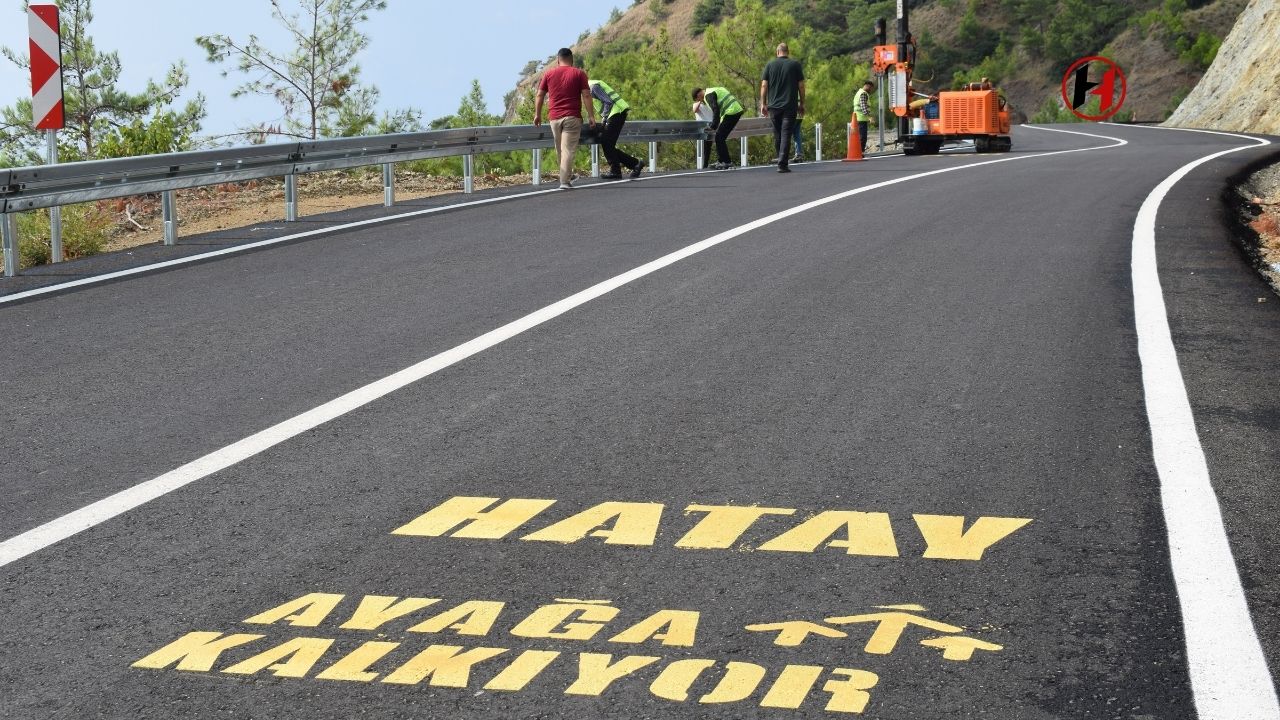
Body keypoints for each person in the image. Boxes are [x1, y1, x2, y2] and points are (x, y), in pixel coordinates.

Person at [534, 48, 596, 190]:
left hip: (554, 118)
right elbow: (586, 95)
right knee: (567, 150)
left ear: (558, 59)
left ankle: (567, 175)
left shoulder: (549, 73)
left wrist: (537, 114)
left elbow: (539, 95)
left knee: (560, 149)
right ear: (571, 59)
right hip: (572, 117)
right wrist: (591, 116)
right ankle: (564, 181)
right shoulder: (579, 73)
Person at [759, 42, 805, 173]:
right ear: (787, 52)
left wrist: (763, 103)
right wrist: (802, 103)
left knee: (778, 133)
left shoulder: (770, 65)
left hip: (773, 107)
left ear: (777, 52)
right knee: (786, 134)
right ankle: (782, 164)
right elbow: (801, 86)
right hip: (789, 106)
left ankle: (780, 158)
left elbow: (764, 86)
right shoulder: (795, 65)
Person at [589, 79, 643, 180]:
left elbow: (608, 102)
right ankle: (635, 164)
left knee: (606, 142)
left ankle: (616, 171)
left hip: (616, 113)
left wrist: (604, 120)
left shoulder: (593, 87)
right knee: (608, 144)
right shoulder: (591, 86)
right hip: (617, 113)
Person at [692, 86, 744, 170]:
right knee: (720, 137)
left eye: (698, 99)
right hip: (735, 110)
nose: (700, 101)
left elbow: (715, 109)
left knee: (719, 137)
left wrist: (713, 126)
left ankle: (727, 162)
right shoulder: (715, 89)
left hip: (731, 112)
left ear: (698, 95)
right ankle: (721, 161)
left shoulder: (708, 95)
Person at [853, 80, 874, 153]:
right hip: (861, 118)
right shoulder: (863, 94)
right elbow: (863, 107)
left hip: (858, 118)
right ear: (867, 86)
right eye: (871, 88)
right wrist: (869, 117)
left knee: (860, 136)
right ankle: (860, 152)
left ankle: (858, 152)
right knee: (863, 137)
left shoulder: (859, 92)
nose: (871, 90)